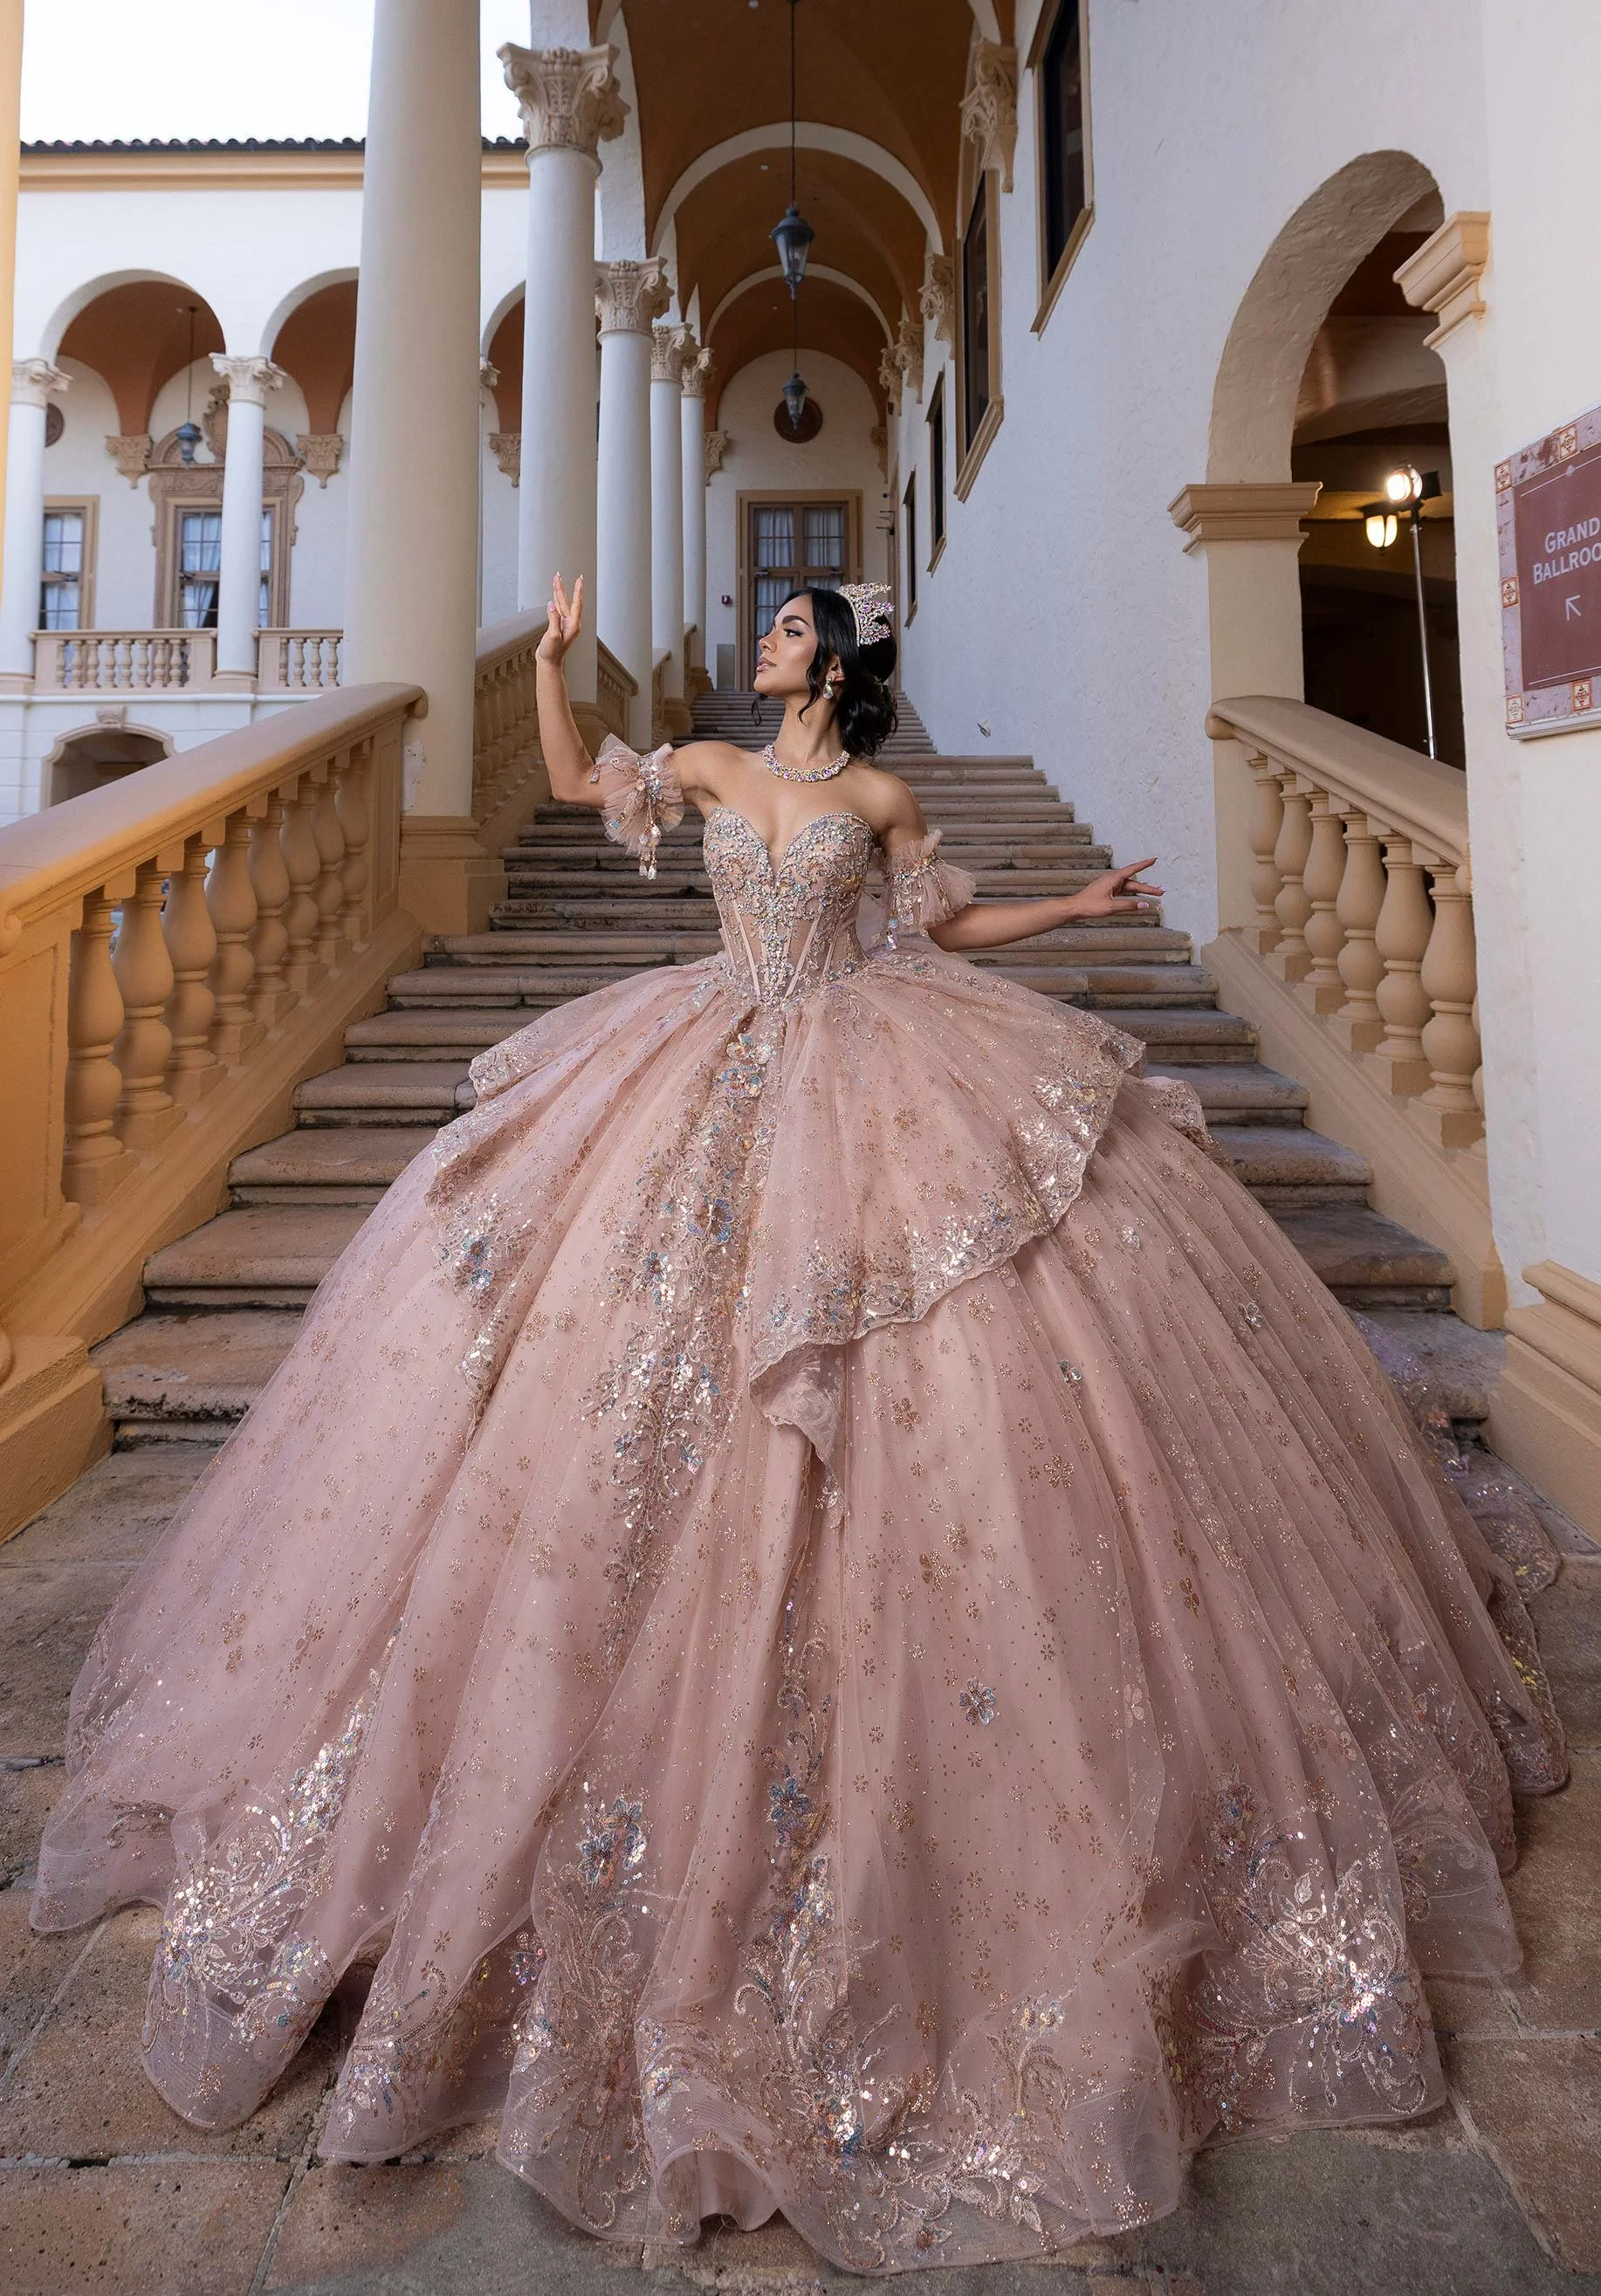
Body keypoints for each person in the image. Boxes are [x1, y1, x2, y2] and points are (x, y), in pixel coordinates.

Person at [33, 574, 1564, 2274]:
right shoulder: (697, 761)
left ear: (830, 657)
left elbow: (931, 933)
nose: (758, 641)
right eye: (760, 627)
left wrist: (1072, 903)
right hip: (698, 1076)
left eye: (782, 627)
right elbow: (564, 788)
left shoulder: (878, 802)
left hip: (880, 1068)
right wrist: (547, 667)